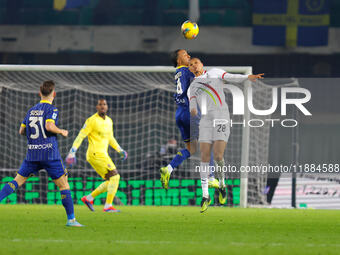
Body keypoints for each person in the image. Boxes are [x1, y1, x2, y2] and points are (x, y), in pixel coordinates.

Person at [0, 80, 83, 226]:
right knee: (64, 185)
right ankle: (71, 219)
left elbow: (21, 131)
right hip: (49, 154)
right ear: (54, 94)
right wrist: (61, 131)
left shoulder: (31, 110)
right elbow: (49, 126)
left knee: (16, 181)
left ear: (40, 93)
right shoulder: (52, 110)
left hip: (32, 154)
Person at [188, 57, 264, 212]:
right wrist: (193, 109)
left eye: (196, 63)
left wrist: (247, 77)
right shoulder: (193, 85)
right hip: (206, 119)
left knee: (218, 156)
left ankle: (222, 184)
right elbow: (192, 101)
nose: (194, 66)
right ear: (189, 69)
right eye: (190, 65)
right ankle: (205, 195)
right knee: (204, 155)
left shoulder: (215, 72)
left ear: (202, 64)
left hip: (222, 117)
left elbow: (230, 77)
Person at [160, 49, 219, 190]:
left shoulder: (178, 73)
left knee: (191, 148)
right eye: (185, 54)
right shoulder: (187, 70)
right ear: (179, 60)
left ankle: (168, 169)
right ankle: (211, 177)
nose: (189, 56)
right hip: (190, 112)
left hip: (180, 113)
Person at [65, 99, 127, 213]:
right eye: (100, 104)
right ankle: (107, 206)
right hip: (94, 154)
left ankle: (88, 198)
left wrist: (120, 150)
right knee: (115, 177)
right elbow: (81, 136)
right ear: (96, 107)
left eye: (104, 104)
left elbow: (110, 139)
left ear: (107, 107)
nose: (102, 106)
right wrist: (72, 151)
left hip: (103, 154)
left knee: (111, 180)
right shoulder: (91, 120)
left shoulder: (109, 121)